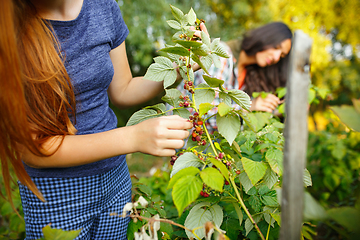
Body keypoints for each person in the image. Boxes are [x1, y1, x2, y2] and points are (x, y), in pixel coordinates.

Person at [0, 0, 207, 239]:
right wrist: (132, 138)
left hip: (114, 179)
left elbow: (123, 89)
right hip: (56, 193)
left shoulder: (102, 7)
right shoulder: (12, 26)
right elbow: (33, 149)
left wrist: (178, 67)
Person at [180, 22, 292, 131]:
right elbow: (207, 114)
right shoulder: (223, 56)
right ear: (267, 37)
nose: (276, 58)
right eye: (277, 47)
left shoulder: (251, 76)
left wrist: (281, 109)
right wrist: (249, 106)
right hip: (178, 137)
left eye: (281, 55)